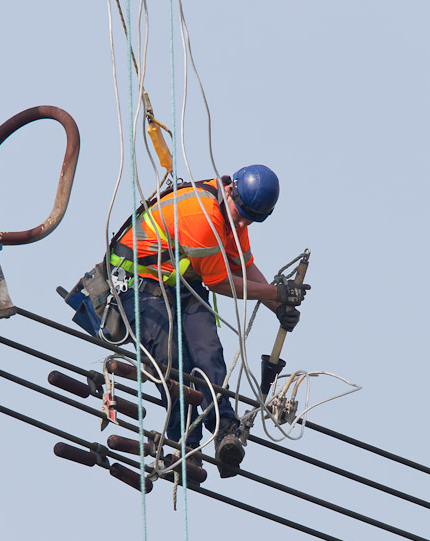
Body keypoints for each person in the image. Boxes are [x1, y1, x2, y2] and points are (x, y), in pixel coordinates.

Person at [110, 165, 310, 477]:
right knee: (175, 366)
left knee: (209, 353)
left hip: (179, 285)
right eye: (241, 214)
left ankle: (225, 431)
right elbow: (222, 283)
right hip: (139, 284)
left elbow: (242, 267)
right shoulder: (202, 216)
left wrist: (276, 305)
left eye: (250, 219)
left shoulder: (235, 213)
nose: (243, 222)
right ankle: (183, 447)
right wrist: (277, 293)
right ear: (231, 191)